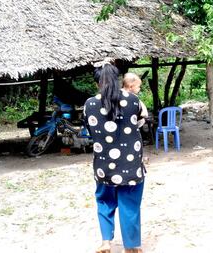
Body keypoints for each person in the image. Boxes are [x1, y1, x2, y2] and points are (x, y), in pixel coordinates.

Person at [84, 64, 145, 253]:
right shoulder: (133, 100)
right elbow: (140, 121)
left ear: (97, 84)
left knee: (104, 201)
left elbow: (88, 129)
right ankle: (131, 246)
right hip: (131, 165)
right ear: (118, 80)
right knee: (130, 204)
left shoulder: (90, 104)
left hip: (104, 166)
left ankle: (106, 243)